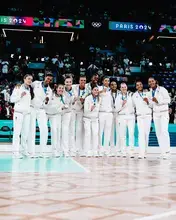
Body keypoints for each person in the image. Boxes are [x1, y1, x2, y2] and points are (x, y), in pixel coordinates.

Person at [28, 73, 53, 158]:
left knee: (44, 129)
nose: (48, 80)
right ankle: (31, 152)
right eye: (47, 78)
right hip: (32, 108)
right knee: (32, 129)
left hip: (42, 109)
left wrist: (46, 101)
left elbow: (48, 102)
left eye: (50, 79)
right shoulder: (36, 83)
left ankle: (43, 151)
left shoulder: (50, 90)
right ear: (45, 77)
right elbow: (27, 86)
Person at [10, 74, 34, 158]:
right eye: (28, 79)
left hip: (27, 114)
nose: (30, 80)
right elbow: (12, 99)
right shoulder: (18, 87)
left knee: (25, 133)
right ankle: (15, 152)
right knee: (17, 133)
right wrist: (20, 96)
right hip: (18, 113)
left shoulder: (30, 89)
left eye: (31, 79)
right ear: (24, 79)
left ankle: (24, 151)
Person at [148, 77, 171, 159]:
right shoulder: (149, 92)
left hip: (163, 113)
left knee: (164, 131)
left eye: (152, 81)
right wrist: (148, 102)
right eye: (149, 82)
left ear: (155, 81)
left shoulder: (162, 89)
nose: (151, 82)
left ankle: (167, 152)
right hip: (156, 114)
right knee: (158, 133)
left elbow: (168, 100)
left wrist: (158, 101)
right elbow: (151, 105)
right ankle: (162, 152)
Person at [45, 84, 68, 157]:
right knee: (44, 131)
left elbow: (64, 107)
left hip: (54, 115)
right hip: (45, 113)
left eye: (62, 88)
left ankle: (55, 150)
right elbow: (47, 102)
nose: (61, 89)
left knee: (55, 131)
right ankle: (43, 151)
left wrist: (63, 107)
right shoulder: (51, 94)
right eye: (59, 88)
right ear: (56, 88)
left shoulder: (63, 97)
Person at [132, 80, 152, 159]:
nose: (139, 86)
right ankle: (141, 153)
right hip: (140, 116)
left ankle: (145, 152)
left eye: (140, 84)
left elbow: (152, 105)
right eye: (137, 85)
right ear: (136, 86)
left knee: (146, 134)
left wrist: (148, 102)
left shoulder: (148, 93)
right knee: (141, 134)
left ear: (142, 85)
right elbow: (133, 106)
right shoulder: (134, 95)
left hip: (147, 116)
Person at [115, 83, 135, 157]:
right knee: (122, 135)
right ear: (120, 88)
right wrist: (122, 104)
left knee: (131, 134)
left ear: (127, 87)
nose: (124, 88)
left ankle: (131, 152)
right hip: (122, 117)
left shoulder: (131, 96)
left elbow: (135, 105)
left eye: (125, 87)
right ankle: (123, 151)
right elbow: (116, 109)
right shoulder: (118, 97)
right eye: (122, 87)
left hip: (131, 116)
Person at [72, 75, 88, 155]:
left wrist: (83, 101)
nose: (83, 82)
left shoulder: (88, 89)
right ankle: (71, 148)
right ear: (79, 81)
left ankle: (79, 148)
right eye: (81, 80)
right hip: (73, 110)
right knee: (71, 129)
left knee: (79, 129)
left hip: (81, 110)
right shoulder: (73, 87)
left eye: (84, 80)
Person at [83, 86, 101, 157]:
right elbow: (85, 110)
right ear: (92, 91)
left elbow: (98, 109)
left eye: (97, 90)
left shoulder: (99, 99)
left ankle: (95, 151)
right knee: (88, 134)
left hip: (95, 119)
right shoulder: (87, 98)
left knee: (95, 134)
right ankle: (87, 151)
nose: (96, 91)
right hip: (87, 118)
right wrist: (90, 109)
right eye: (95, 90)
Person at [98, 76, 113, 156]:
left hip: (109, 113)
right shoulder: (99, 88)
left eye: (108, 81)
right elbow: (94, 94)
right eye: (106, 80)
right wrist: (101, 91)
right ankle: (100, 150)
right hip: (101, 113)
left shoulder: (111, 90)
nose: (107, 82)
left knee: (108, 132)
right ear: (103, 81)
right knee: (100, 132)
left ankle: (106, 150)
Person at [63, 75, 75, 156]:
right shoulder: (61, 89)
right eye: (67, 82)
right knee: (65, 131)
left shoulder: (74, 90)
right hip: (64, 113)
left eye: (70, 82)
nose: (68, 83)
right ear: (64, 82)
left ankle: (71, 149)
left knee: (71, 131)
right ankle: (65, 150)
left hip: (71, 112)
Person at [110, 79, 120, 156]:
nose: (114, 86)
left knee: (119, 131)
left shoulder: (120, 93)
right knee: (111, 132)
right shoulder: (107, 93)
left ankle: (118, 149)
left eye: (115, 84)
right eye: (112, 84)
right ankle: (112, 149)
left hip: (118, 113)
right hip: (110, 113)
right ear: (110, 86)